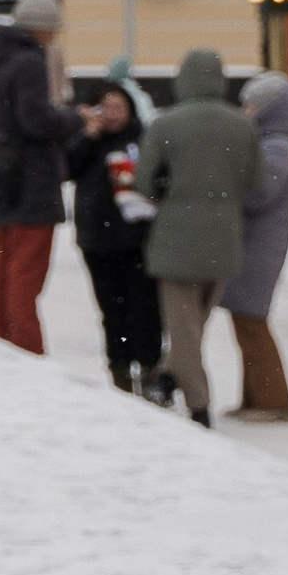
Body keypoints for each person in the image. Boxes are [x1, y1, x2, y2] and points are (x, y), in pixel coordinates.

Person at [135, 48, 263, 427]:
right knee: (194, 328)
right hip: (223, 238)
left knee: (183, 330)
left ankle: (199, 406)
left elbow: (144, 181)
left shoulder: (165, 124)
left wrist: (169, 191)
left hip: (176, 237)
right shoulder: (242, 126)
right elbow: (254, 181)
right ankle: (167, 377)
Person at [0, 0, 92, 356]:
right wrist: (77, 118)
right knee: (26, 272)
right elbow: (36, 120)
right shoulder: (28, 60)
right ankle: (25, 350)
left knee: (6, 266)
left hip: (0, 175)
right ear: (40, 28)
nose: (54, 37)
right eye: (52, 30)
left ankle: (2, 342)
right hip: (31, 180)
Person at [222, 69, 288, 419]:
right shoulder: (266, 143)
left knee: (252, 322)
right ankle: (254, 398)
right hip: (254, 245)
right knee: (245, 321)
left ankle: (272, 401)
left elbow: (259, 194)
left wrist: (227, 182)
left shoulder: (274, 147)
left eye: (250, 105)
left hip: (258, 249)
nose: (244, 110)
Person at [64, 79, 163, 394]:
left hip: (138, 239)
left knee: (144, 308)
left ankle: (148, 369)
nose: (112, 114)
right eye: (104, 107)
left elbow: (159, 177)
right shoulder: (87, 141)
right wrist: (87, 137)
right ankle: (119, 370)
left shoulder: (143, 138)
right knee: (112, 311)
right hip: (97, 240)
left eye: (119, 106)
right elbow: (65, 168)